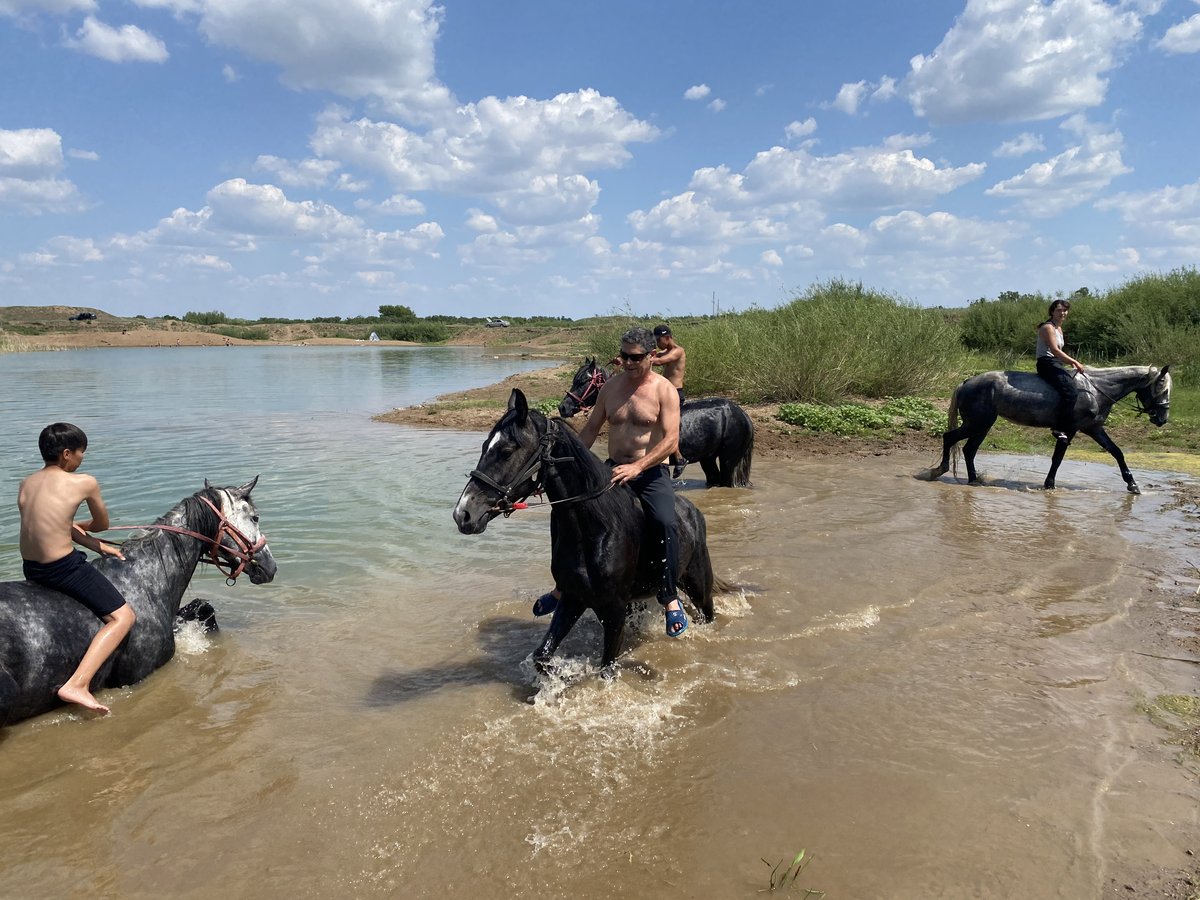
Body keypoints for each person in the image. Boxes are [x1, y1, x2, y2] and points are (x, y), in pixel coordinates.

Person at [532, 327, 688, 637]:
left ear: (652, 356)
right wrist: (564, 467)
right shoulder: (611, 388)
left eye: (635, 358)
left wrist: (639, 466)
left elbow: (671, 440)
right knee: (565, 510)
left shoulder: (664, 390)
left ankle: (669, 596)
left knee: (665, 520)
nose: (628, 363)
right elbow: (590, 431)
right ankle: (562, 586)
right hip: (612, 470)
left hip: (650, 472)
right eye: (624, 357)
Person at [18, 423, 135, 714]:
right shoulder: (84, 482)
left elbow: (52, 524)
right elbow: (101, 525)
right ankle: (78, 684)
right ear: (67, 454)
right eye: (81, 452)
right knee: (123, 617)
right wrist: (92, 533)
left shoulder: (27, 482)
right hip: (62, 569)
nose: (82, 458)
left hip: (32, 569)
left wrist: (96, 546)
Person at [1036, 299, 1086, 442]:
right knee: (1070, 392)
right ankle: (1058, 427)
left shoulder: (1059, 328)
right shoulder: (1048, 327)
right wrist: (1074, 362)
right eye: (1059, 310)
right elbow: (1054, 350)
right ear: (1052, 312)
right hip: (1046, 363)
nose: (1062, 313)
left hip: (1056, 363)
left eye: (1064, 310)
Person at [650, 324, 688, 478]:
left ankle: (679, 458)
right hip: (665, 393)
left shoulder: (678, 351)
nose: (657, 343)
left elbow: (659, 361)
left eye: (659, 340)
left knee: (667, 425)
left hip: (676, 393)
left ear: (667, 337)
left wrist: (646, 358)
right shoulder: (663, 351)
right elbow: (654, 357)